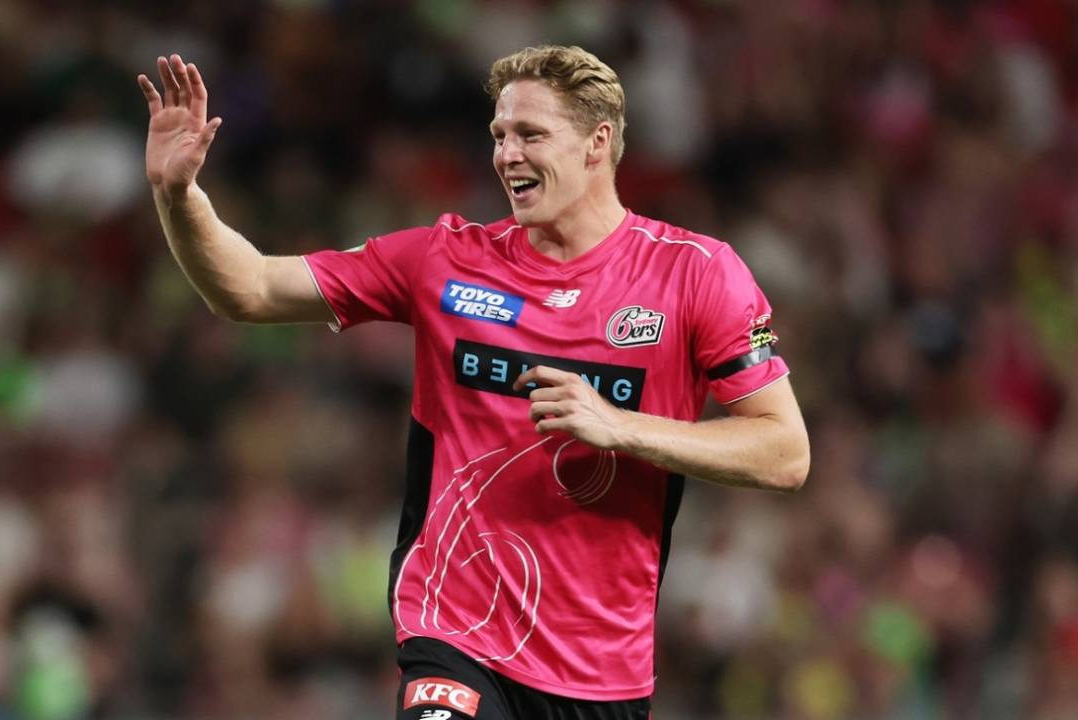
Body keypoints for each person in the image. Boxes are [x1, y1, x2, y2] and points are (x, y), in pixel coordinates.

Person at [138, 45, 809, 720]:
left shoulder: (696, 274)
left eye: (531, 134)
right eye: (499, 135)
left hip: (602, 671)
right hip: (454, 633)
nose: (507, 155)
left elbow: (784, 453)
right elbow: (250, 288)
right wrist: (178, 194)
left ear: (597, 143)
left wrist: (621, 426)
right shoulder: (445, 260)